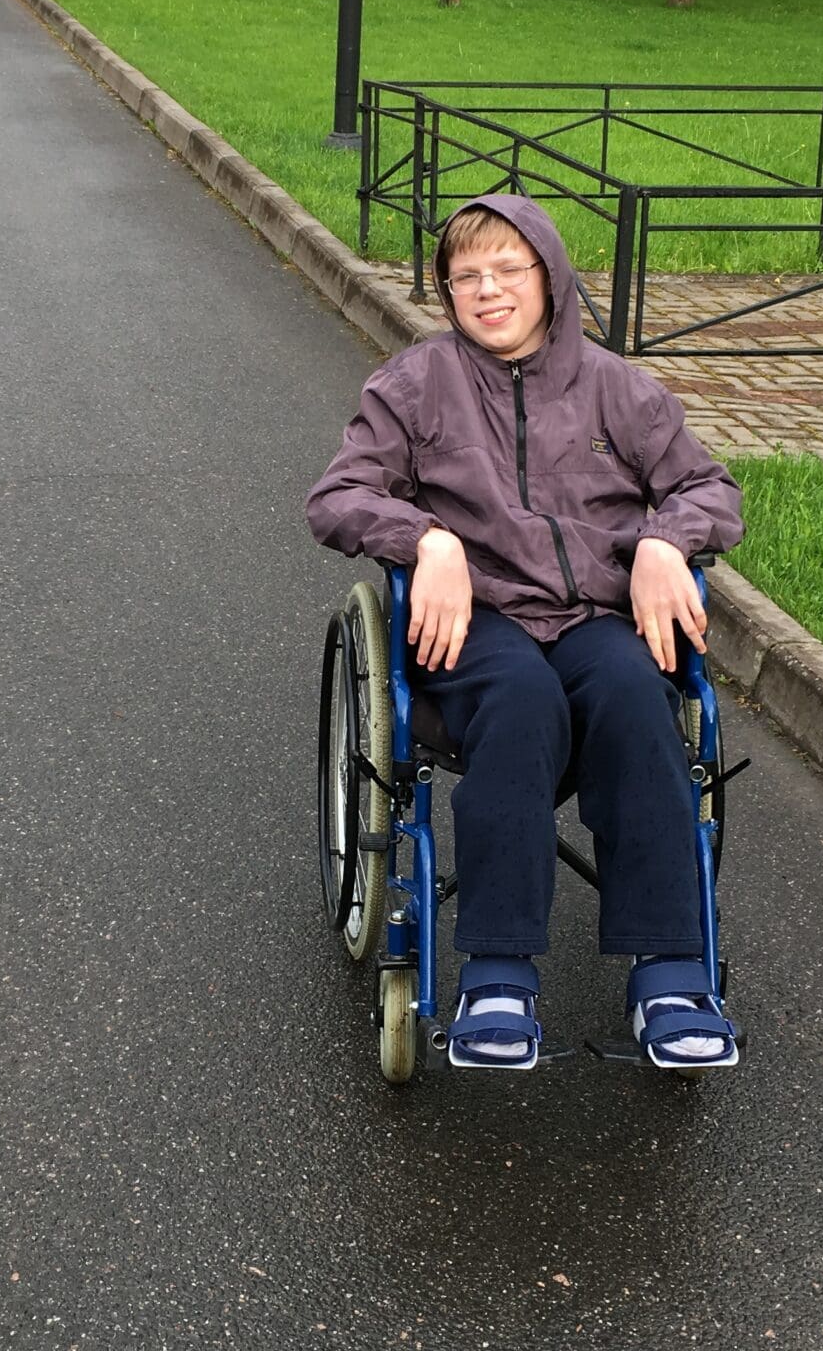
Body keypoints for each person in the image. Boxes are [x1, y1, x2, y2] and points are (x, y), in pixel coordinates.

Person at [306, 193, 745, 1072]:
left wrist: (665, 540)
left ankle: (670, 971)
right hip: (480, 621)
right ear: (446, 292)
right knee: (520, 698)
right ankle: (498, 972)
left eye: (508, 269)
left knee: (634, 693)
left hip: (595, 616)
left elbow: (710, 489)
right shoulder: (416, 385)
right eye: (465, 275)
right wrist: (426, 539)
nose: (488, 289)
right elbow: (338, 496)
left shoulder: (619, 389)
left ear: (551, 277)